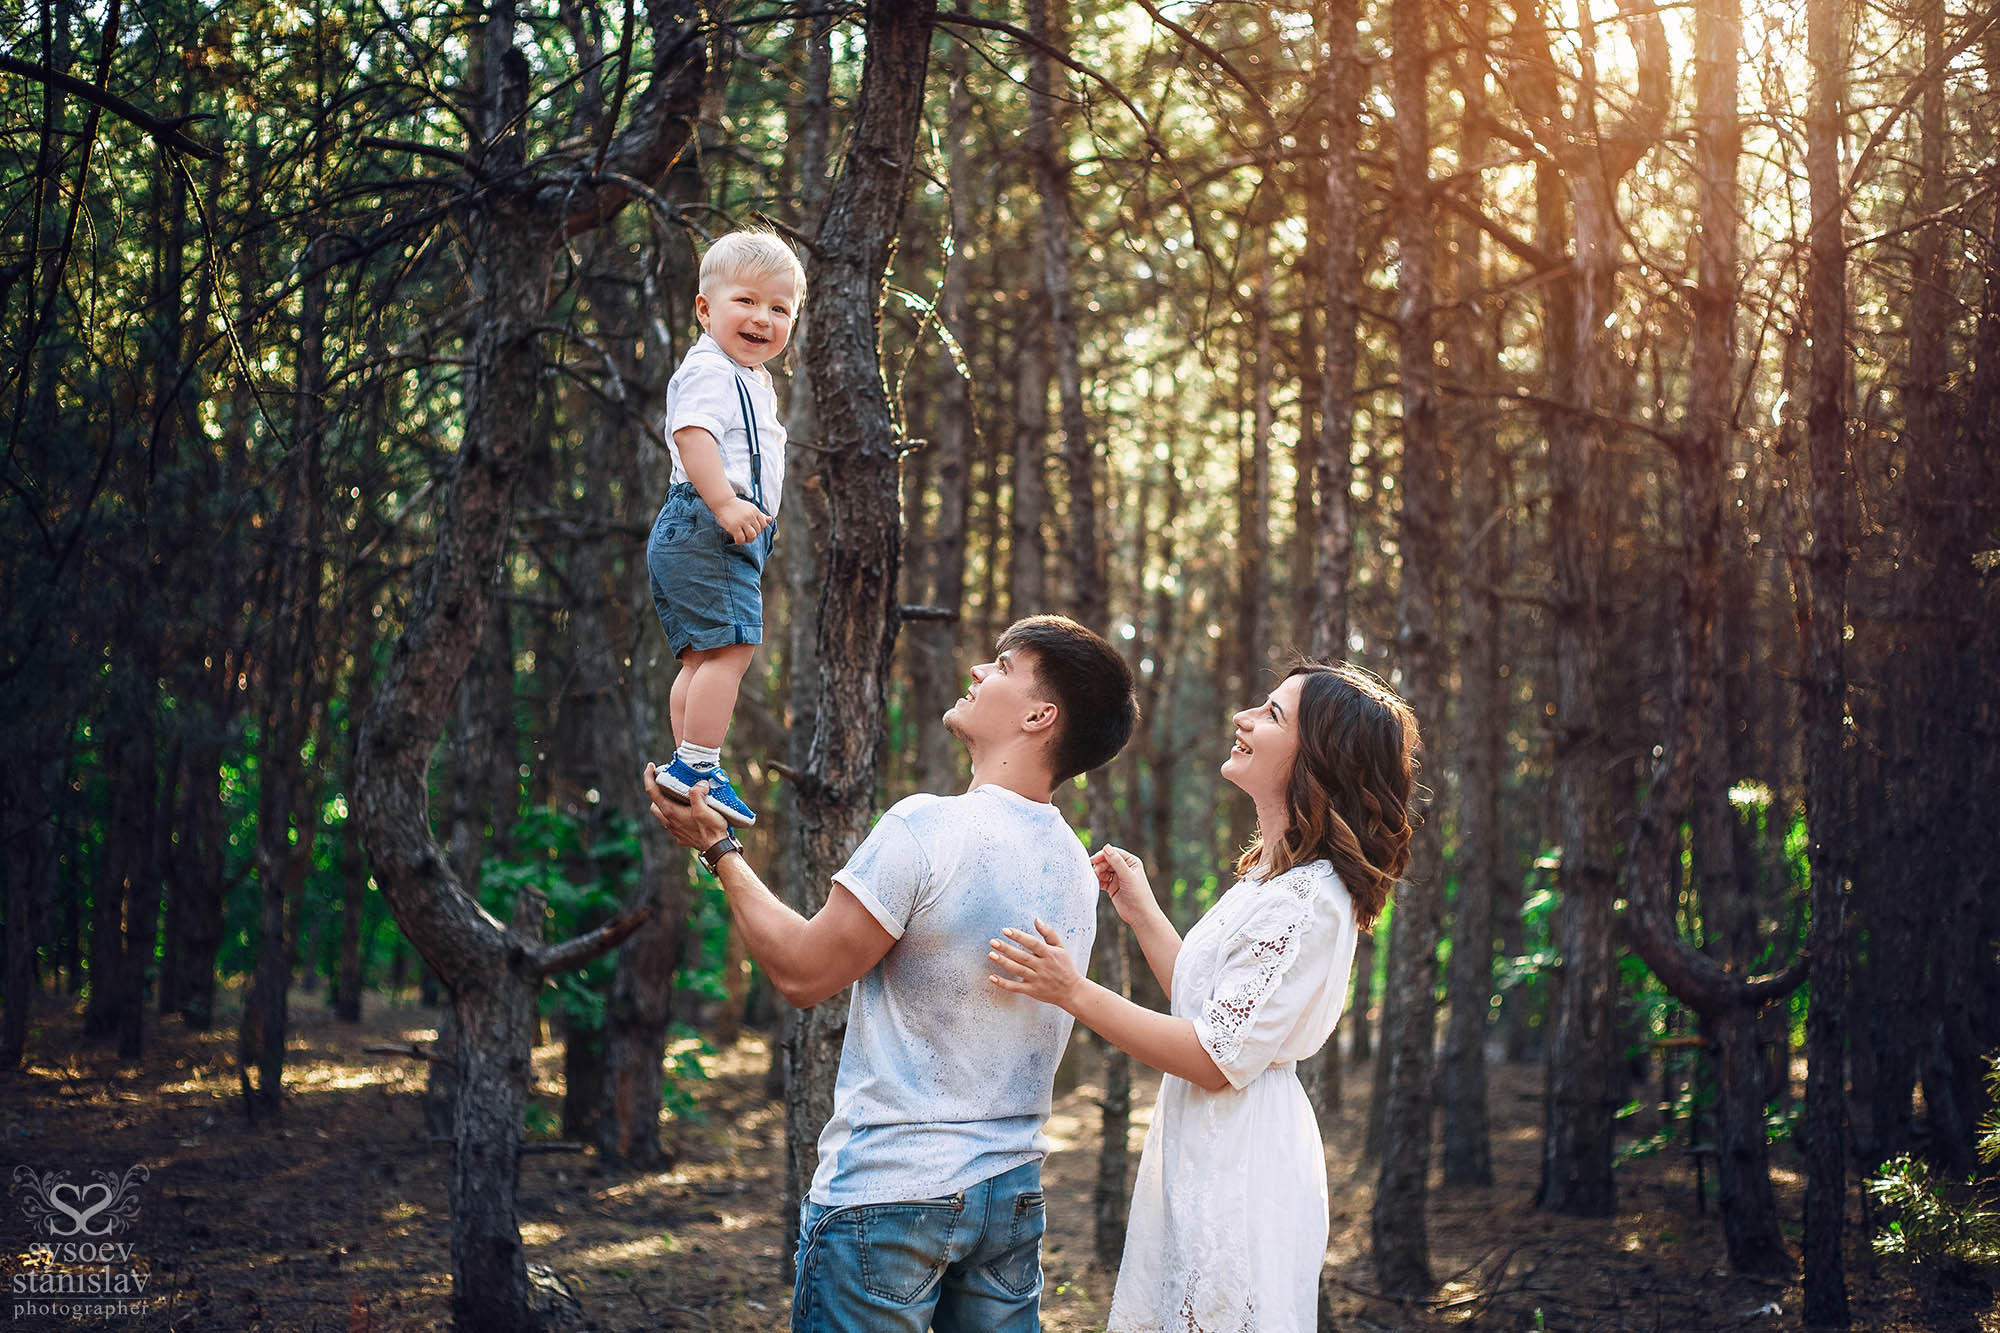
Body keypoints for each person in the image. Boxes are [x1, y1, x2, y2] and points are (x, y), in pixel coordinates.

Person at [643, 615, 1139, 1332]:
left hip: (894, 1196)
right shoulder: (1073, 865)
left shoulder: (927, 827)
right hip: (1012, 1200)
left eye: (1001, 665)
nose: (977, 672)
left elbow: (804, 972)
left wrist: (718, 847)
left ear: (1040, 715)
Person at [988, 661, 1418, 1333]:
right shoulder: (1272, 881)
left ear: (1319, 758)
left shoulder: (1311, 901)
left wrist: (1071, 989)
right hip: (1208, 1138)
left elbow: (1213, 1057)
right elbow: (1210, 1006)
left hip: (1244, 1156)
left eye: (1272, 715)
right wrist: (1143, 911)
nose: (1243, 719)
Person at [647, 229, 807, 827]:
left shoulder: (750, 379)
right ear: (705, 308)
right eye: (746, 301)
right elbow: (693, 435)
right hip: (708, 521)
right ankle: (698, 766)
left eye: (779, 308)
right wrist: (725, 504)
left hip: (707, 527)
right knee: (732, 649)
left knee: (701, 658)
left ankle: (687, 763)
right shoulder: (712, 370)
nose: (762, 318)